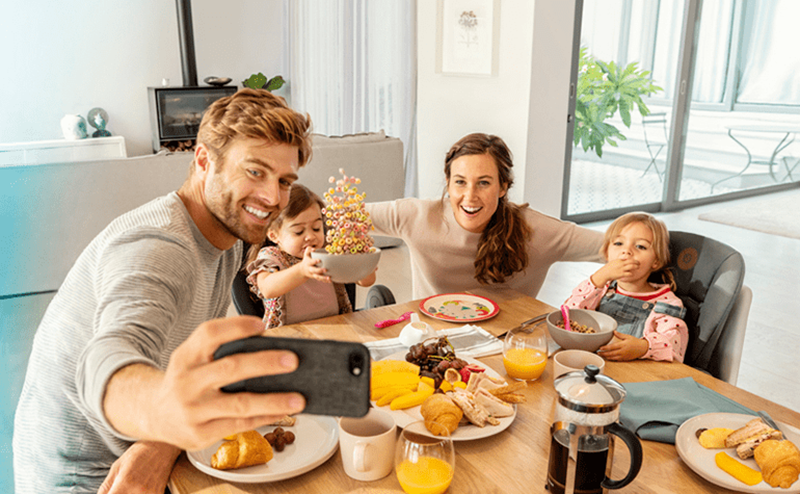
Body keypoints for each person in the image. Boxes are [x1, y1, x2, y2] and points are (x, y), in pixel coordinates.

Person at [13, 88, 313, 494]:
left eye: (283, 181)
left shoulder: (230, 235)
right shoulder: (158, 247)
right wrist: (164, 418)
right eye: (255, 172)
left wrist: (161, 441)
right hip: (86, 479)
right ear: (204, 161)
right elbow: (107, 361)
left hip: (136, 451)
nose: (273, 197)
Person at [366, 132, 604, 300]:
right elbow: (336, 217)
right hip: (433, 346)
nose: (470, 196)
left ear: (503, 187)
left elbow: (617, 247)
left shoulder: (538, 230)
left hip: (508, 349)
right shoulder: (416, 216)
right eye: (460, 182)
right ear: (448, 184)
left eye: (483, 183)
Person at [245, 184, 376, 329]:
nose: (310, 236)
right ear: (274, 235)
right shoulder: (271, 256)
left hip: (335, 328)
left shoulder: (329, 251)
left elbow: (366, 281)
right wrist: (302, 270)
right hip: (288, 336)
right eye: (299, 231)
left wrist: (364, 264)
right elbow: (267, 288)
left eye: (316, 228)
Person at [563, 212, 689, 362]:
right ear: (607, 254)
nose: (626, 251)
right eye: (618, 243)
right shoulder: (601, 289)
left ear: (656, 261)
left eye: (640, 246)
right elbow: (567, 319)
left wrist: (643, 347)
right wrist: (598, 278)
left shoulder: (666, 303)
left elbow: (674, 347)